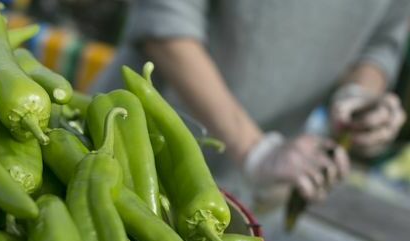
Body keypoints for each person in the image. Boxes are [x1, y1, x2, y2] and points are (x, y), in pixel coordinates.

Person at [92, 0, 410, 207]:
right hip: (125, 149)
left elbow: (381, 45)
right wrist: (253, 149)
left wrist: (358, 95)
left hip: (255, 184)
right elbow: (166, 20)